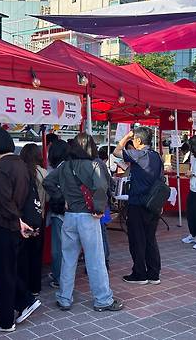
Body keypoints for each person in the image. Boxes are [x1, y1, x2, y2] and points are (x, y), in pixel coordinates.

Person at [43, 133, 123, 312]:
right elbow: (102, 187)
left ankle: (64, 298)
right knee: (95, 259)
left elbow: (48, 182)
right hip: (88, 217)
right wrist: (99, 209)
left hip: (69, 216)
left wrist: (61, 197)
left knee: (68, 258)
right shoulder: (94, 165)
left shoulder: (64, 167)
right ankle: (103, 299)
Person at [0, 128, 40, 332]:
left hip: (3, 225)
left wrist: (17, 221)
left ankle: (5, 319)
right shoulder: (21, 165)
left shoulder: (0, 168)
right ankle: (24, 300)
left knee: (3, 271)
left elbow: (3, 200)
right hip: (14, 225)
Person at [113, 127, 163, 284]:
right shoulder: (157, 156)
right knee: (150, 239)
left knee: (137, 239)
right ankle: (154, 273)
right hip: (153, 203)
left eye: (133, 139)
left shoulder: (139, 154)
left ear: (139, 141)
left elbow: (116, 152)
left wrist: (125, 137)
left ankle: (140, 273)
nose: (132, 142)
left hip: (137, 203)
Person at [18, 143, 47, 296]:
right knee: (36, 254)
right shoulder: (43, 173)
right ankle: (35, 287)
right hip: (38, 217)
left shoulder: (20, 172)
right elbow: (48, 196)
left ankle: (23, 287)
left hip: (21, 219)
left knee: (22, 254)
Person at [46, 140, 69, 289]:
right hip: (74, 213)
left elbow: (47, 183)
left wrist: (59, 198)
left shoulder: (58, 169)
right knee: (69, 247)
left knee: (59, 248)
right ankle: (64, 277)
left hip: (60, 213)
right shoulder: (73, 166)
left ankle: (59, 278)